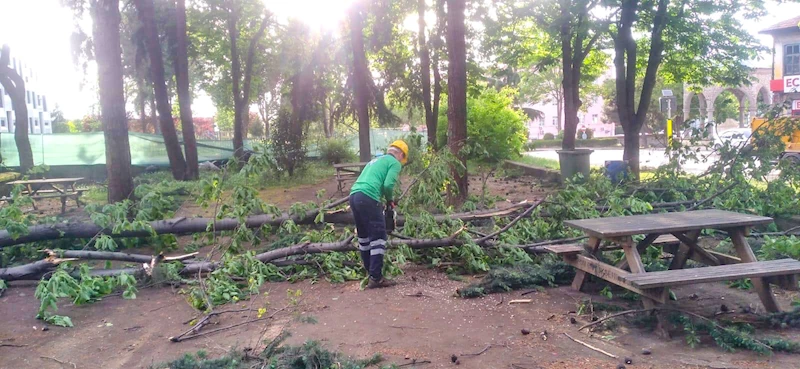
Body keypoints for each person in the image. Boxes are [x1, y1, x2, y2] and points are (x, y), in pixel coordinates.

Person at [349, 140, 408, 288]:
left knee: (364, 237)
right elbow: (388, 184)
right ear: (400, 154)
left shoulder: (374, 160)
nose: (401, 161)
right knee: (379, 237)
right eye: (402, 158)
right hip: (369, 196)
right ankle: (376, 278)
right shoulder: (394, 163)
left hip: (354, 195)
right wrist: (389, 201)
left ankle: (369, 273)